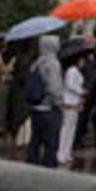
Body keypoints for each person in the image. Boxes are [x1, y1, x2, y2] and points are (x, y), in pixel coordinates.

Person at [26, 35, 65, 168]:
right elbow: (54, 87)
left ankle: (31, 165)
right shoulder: (53, 63)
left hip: (36, 107)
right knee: (51, 143)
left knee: (35, 140)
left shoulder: (36, 62)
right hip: (49, 108)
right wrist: (60, 103)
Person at [55, 51, 86, 167]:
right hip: (69, 101)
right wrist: (81, 91)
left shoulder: (76, 71)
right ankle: (61, 152)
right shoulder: (72, 71)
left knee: (72, 128)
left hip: (75, 102)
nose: (84, 62)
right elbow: (70, 85)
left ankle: (67, 152)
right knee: (66, 128)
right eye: (82, 60)